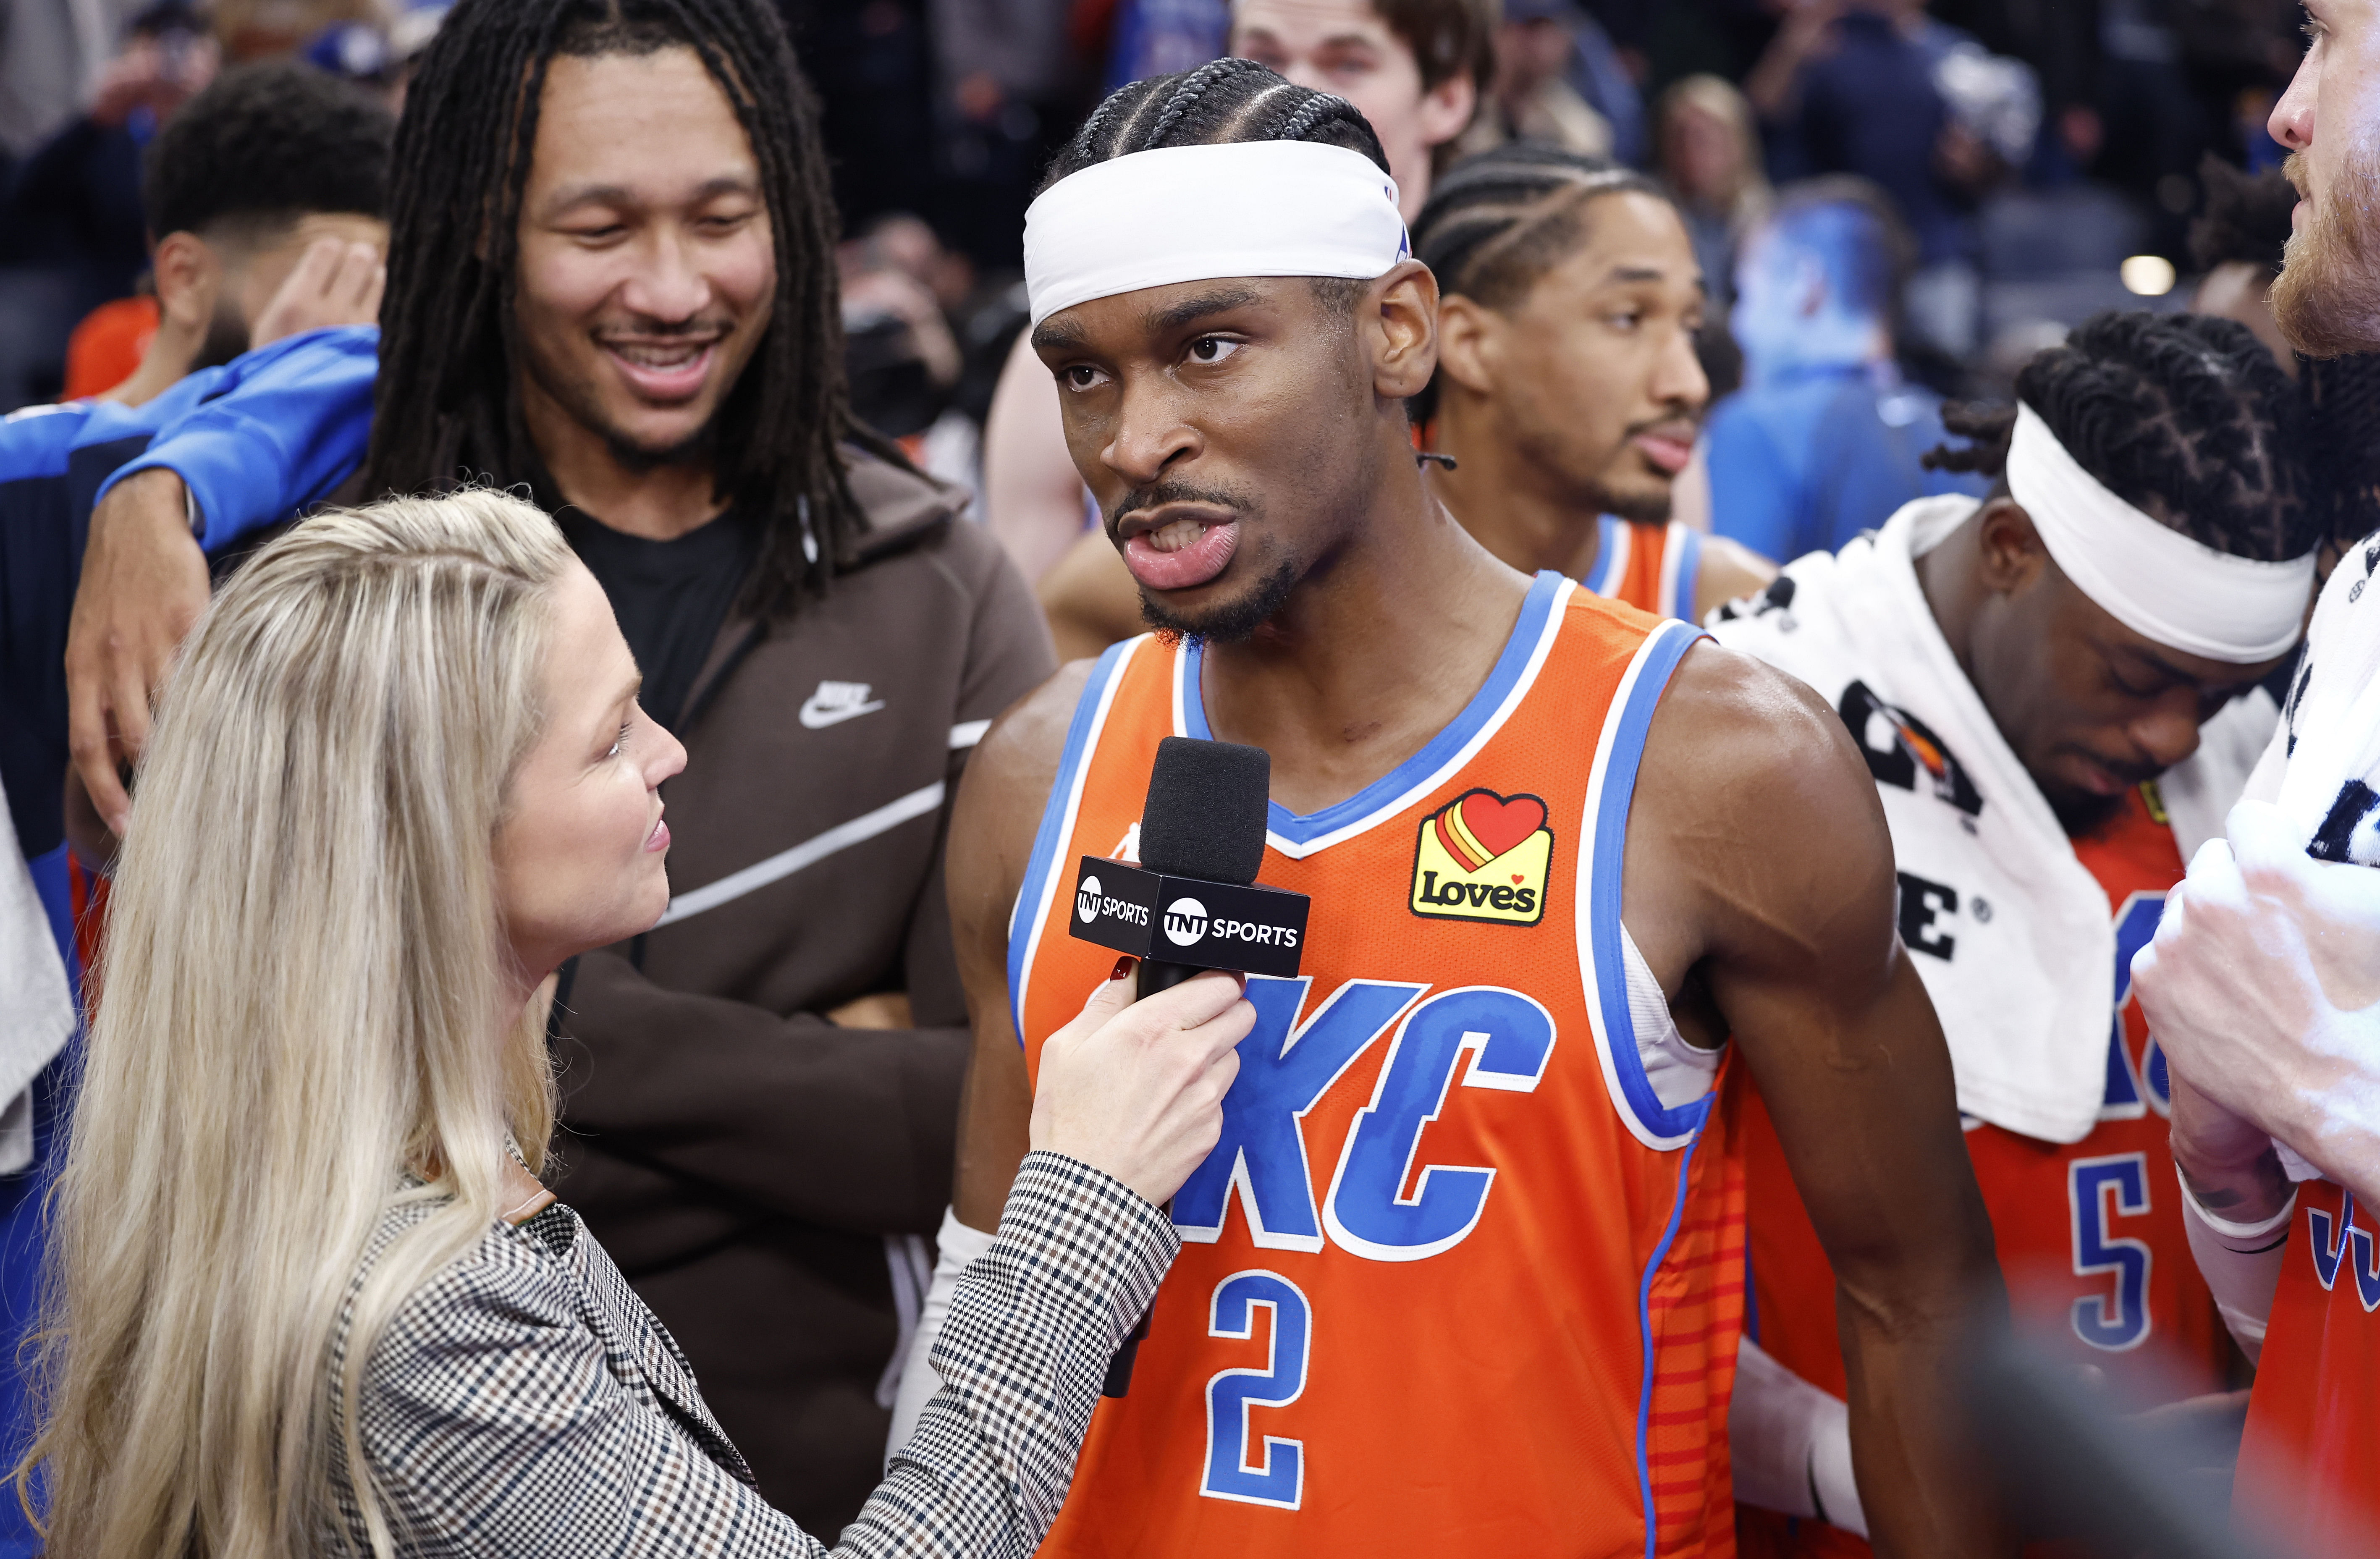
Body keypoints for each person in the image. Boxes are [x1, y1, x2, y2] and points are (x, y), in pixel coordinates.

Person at [894, 62, 2007, 1556]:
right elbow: (983, 1284)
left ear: (1398, 330)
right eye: (1082, 370)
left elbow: (1917, 1301)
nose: (1130, 437)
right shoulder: (1041, 772)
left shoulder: (1711, 763)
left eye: (1207, 347)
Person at [61, 0, 1060, 1532]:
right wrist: (800, 1054)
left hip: (862, 1492)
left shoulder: (941, 578)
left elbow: (973, 1117)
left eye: (721, 219)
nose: (672, 287)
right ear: (477, 221)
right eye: (599, 226)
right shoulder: (336, 569)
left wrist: (510, 999)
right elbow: (219, 1088)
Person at [18, 486, 1250, 1559]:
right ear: (439, 841)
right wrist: (1079, 1192)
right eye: (609, 740)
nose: (666, 754)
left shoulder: (338, 1172)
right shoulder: (437, 1318)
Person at [1709, 309, 2318, 1553]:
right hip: (1825, 1516)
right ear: (2006, 551)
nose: (2172, 738)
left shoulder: (2261, 760)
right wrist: (1851, 1459)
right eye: (2138, 678)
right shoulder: (1734, 731)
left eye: (2210, 693)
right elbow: (1608, 1264)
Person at [2127, 6, 2380, 1546]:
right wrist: (2227, 1165)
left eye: (2329, 41)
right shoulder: (2361, 596)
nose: (2282, 113)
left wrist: (2316, 1088)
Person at [1035, 144, 1777, 660]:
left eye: (1688, 325)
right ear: (1455, 337)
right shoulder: (1178, 574)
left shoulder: (1740, 613)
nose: (1686, 382)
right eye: (1627, 319)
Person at [981, 0, 1495, 586]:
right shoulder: (1045, 362)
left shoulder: (1511, 342)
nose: (1292, 86)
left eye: (1348, 63)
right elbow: (1036, 630)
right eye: (1264, 55)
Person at [1704, 178, 1988, 565]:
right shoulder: (1967, 439)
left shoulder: (1751, 428)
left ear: (1805, 285)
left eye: (1746, 293)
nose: (1740, 323)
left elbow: (1727, 617)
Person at [1653, 73, 1771, 314]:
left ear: (1737, 144)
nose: (1691, 151)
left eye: (1704, 138)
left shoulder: (1769, 222)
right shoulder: (1650, 217)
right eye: (1680, 137)